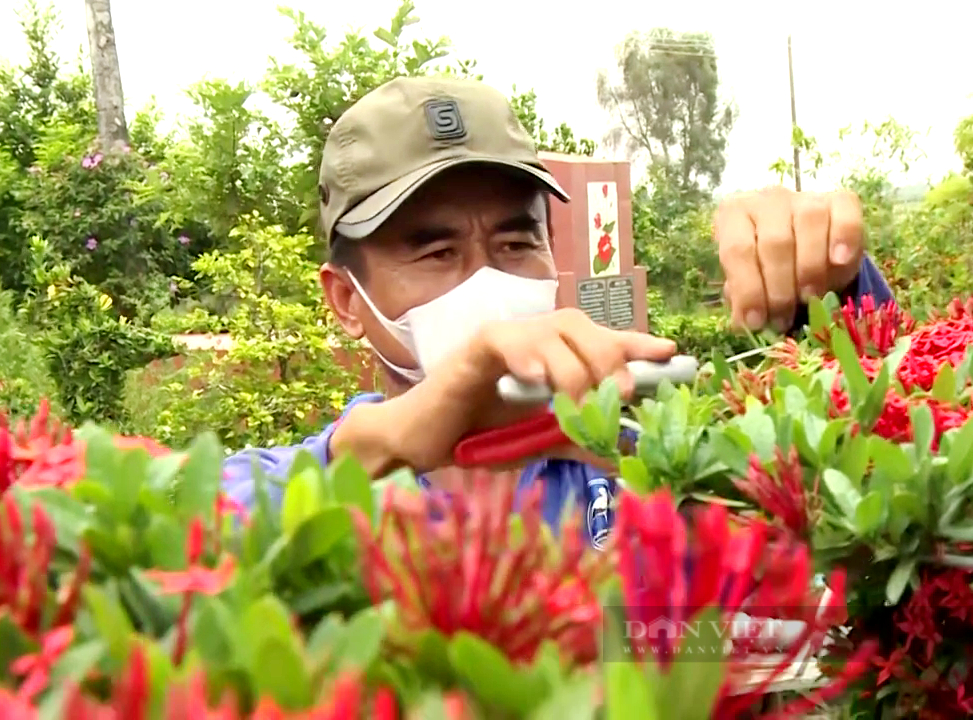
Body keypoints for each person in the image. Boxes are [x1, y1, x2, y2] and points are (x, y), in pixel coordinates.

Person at [222, 76, 893, 546]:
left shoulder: (644, 470)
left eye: (515, 242)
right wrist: (373, 451)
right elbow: (149, 534)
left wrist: (824, 288)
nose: (484, 279)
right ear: (346, 299)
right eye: (434, 252)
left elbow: (881, 499)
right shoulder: (278, 497)